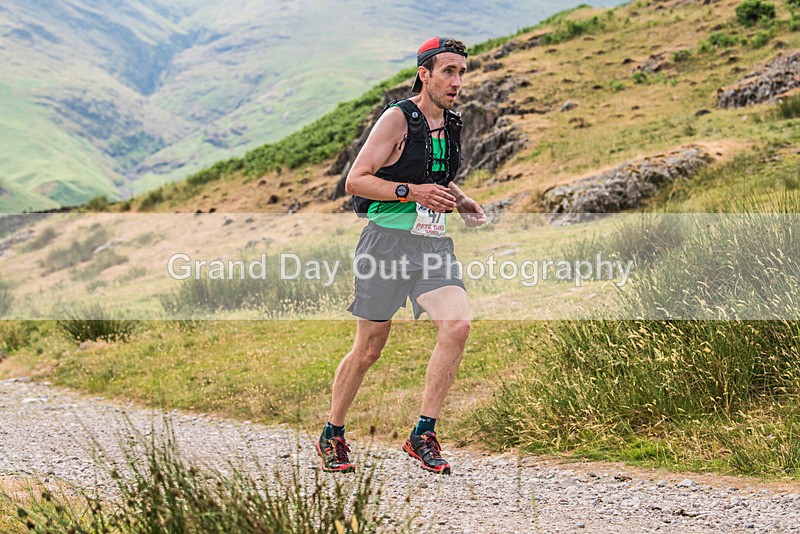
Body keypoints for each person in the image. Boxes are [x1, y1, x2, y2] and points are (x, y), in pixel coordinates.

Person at [316, 37, 487, 475]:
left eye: (462, 72)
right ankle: (333, 433)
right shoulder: (397, 119)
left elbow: (434, 176)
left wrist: (461, 199)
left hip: (432, 246)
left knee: (458, 325)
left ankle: (422, 434)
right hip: (385, 246)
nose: (457, 81)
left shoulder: (451, 123)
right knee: (369, 350)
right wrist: (413, 193)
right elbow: (356, 180)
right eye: (448, 71)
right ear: (424, 74)